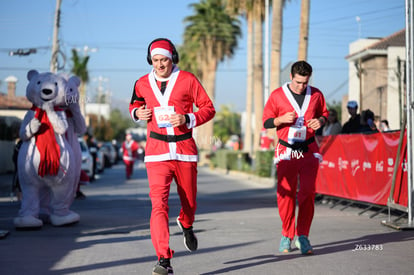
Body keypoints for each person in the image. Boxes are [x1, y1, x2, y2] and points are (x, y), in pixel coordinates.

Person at [129, 38, 215, 275]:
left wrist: (188, 119)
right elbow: (134, 104)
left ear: (172, 58)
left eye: (163, 59)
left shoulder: (187, 79)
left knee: (189, 201)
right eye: (155, 60)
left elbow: (208, 108)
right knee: (158, 205)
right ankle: (163, 259)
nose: (159, 65)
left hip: (184, 150)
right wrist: (138, 112)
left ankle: (186, 223)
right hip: (156, 152)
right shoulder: (142, 83)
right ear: (150, 60)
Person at [262, 60, 329, 255]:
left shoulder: (316, 94)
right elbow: (266, 122)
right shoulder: (277, 95)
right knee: (286, 195)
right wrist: (280, 120)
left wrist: (320, 121)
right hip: (286, 151)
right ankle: (286, 234)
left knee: (308, 193)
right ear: (291, 77)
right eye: (298, 82)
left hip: (308, 150)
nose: (301, 86)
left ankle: (303, 236)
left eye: (305, 83)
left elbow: (324, 114)